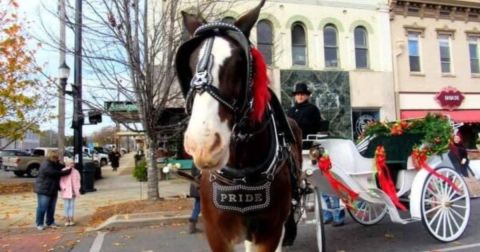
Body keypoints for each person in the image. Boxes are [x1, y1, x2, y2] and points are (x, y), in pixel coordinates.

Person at [287, 82, 345, 226]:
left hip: (309, 146)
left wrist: (295, 126)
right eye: (298, 94)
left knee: (324, 180)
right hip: (294, 147)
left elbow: (309, 126)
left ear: (306, 95)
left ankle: (337, 213)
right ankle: (325, 212)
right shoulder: (290, 110)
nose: (300, 96)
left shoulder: (312, 109)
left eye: (302, 94)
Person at [34, 150, 72, 230]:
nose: (57, 158)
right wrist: (67, 172)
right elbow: (54, 173)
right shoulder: (46, 164)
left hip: (52, 189)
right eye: (55, 157)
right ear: (51, 157)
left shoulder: (55, 163)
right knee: (42, 207)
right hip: (44, 189)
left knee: (51, 207)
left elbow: (62, 167)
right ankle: (39, 223)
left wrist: (68, 165)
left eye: (57, 157)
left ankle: (50, 222)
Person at [59, 161, 81, 226]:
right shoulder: (63, 170)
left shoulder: (76, 171)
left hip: (73, 191)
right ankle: (66, 218)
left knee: (72, 205)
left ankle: (71, 218)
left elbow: (78, 180)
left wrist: (78, 188)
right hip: (66, 191)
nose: (72, 164)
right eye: (70, 163)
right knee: (66, 205)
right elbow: (61, 181)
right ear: (66, 164)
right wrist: (63, 187)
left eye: (73, 163)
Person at [188, 164, 201, 234]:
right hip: (200, 186)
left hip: (195, 185)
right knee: (199, 205)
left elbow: (193, 172)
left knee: (197, 205)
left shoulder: (195, 160)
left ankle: (192, 227)